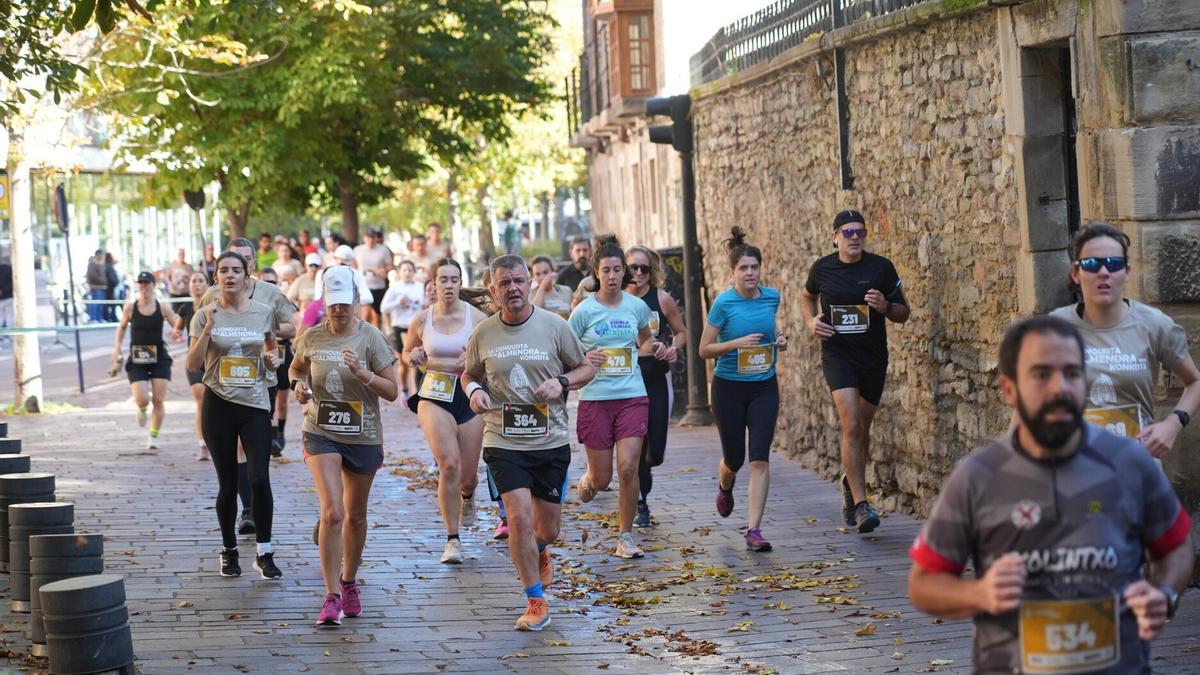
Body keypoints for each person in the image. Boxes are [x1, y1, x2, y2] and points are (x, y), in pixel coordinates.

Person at [908, 315, 1195, 674]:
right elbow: (923, 584)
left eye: (1072, 373)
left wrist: (1164, 595)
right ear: (1009, 390)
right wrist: (978, 594)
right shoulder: (979, 476)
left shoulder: (1130, 463)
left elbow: (1176, 546)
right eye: (1041, 374)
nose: (1060, 388)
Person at [461, 255, 593, 631]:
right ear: (494, 290)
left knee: (546, 529)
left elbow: (586, 367)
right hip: (503, 439)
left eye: (519, 280)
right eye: (505, 283)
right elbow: (468, 374)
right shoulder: (484, 333)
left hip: (549, 440)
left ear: (530, 283)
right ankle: (535, 601)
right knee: (518, 519)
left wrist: (562, 382)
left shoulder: (554, 326)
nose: (513, 288)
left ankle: (541, 549)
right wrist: (473, 391)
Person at [290, 265, 398, 626]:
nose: (339, 309)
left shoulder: (371, 338)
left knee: (355, 515)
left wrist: (364, 374)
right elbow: (296, 369)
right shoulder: (312, 337)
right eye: (332, 303)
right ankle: (331, 595)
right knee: (333, 512)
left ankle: (349, 581)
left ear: (356, 299)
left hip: (363, 435)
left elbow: (392, 391)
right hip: (320, 430)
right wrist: (298, 386)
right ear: (324, 301)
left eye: (344, 302)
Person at [799, 209, 909, 534]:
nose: (855, 237)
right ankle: (862, 505)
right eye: (848, 232)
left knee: (862, 430)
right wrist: (811, 322)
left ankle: (850, 482)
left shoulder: (881, 268)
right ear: (835, 237)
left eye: (860, 232)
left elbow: (903, 312)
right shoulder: (822, 268)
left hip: (873, 357)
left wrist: (885, 307)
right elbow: (807, 296)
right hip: (838, 356)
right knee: (853, 426)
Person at [1049, 224, 1200, 456]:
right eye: (1092, 264)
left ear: (1126, 272)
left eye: (1114, 263)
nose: (1104, 272)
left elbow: (1195, 382)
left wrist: (1173, 423)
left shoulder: (1154, 324)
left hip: (1136, 463)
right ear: (1076, 274)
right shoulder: (1054, 328)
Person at [187, 251, 283, 580]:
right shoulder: (204, 315)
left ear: (247, 277)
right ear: (216, 277)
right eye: (224, 270)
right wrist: (208, 330)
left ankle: (264, 552)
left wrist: (273, 360)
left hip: (254, 404)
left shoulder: (263, 312)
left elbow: (272, 349)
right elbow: (192, 364)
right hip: (218, 405)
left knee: (259, 478)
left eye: (236, 270)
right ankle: (229, 551)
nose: (230, 275)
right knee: (227, 484)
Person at [198, 238, 299, 533]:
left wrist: (263, 329)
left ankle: (256, 504)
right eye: (228, 264)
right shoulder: (212, 294)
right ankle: (248, 509)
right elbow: (201, 330)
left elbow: (293, 326)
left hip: (261, 380)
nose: (234, 270)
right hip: (224, 383)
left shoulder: (270, 293)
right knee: (238, 448)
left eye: (243, 260)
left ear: (251, 264)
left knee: (251, 449)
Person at [569, 236, 662, 559]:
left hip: (632, 395)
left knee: (628, 468)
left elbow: (645, 340)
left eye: (617, 270)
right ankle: (589, 479)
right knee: (602, 478)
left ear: (625, 272)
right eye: (606, 270)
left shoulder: (636, 307)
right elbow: (565, 351)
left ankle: (625, 536)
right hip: (595, 398)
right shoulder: (583, 311)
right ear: (596, 272)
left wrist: (658, 348)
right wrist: (585, 357)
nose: (612, 276)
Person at [698, 227, 787, 552]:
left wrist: (780, 338)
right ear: (733, 272)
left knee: (759, 458)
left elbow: (769, 329)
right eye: (743, 268)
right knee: (734, 459)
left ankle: (754, 530)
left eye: (754, 267)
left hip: (764, 387)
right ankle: (725, 485)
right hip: (729, 390)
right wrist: (735, 344)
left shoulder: (772, 297)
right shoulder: (724, 303)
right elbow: (704, 349)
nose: (750, 273)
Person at [403, 259, 489, 564]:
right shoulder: (421, 320)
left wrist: (475, 359)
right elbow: (407, 352)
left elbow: (488, 357)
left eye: (454, 279)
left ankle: (468, 496)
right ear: (434, 284)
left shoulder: (477, 318)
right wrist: (413, 355)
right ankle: (452, 540)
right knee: (449, 465)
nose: (449, 285)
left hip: (468, 394)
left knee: (468, 476)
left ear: (460, 283)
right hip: (434, 394)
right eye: (443, 279)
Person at [625, 245, 686, 527]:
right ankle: (641, 503)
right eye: (633, 267)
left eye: (644, 268)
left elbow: (681, 332)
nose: (638, 273)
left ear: (652, 271)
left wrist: (674, 349)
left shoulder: (661, 299)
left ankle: (645, 475)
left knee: (656, 451)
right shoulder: (617, 301)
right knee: (636, 444)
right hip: (627, 381)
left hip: (657, 380)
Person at [111, 271, 183, 449]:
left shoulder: (162, 307)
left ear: (153, 285)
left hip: (159, 358)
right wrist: (117, 348)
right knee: (142, 399)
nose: (143, 286)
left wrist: (176, 332)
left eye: (147, 283)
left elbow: (176, 324)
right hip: (138, 359)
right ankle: (142, 409)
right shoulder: (130, 308)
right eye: (141, 283)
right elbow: (121, 328)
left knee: (158, 400)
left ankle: (154, 435)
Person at [175, 271, 211, 460]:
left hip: (214, 360)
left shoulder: (215, 307)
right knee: (201, 399)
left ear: (207, 284)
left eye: (200, 280)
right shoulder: (186, 308)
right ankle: (202, 444)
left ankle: (218, 439)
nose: (197, 284)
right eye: (193, 281)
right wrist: (175, 332)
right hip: (195, 360)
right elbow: (178, 327)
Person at [379, 260, 424, 402]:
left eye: (410, 270)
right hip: (400, 327)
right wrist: (398, 302)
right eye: (404, 270)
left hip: (416, 328)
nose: (407, 273)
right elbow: (383, 308)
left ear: (414, 272)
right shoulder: (395, 288)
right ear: (399, 272)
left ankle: (416, 393)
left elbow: (426, 302)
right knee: (404, 363)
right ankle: (404, 390)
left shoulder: (420, 287)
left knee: (416, 362)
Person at [354, 228, 394, 330]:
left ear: (376, 238)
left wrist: (383, 270)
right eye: (368, 237)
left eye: (373, 237)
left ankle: (376, 334)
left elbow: (390, 265)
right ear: (364, 238)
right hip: (363, 286)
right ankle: (363, 333)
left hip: (378, 285)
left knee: (377, 315)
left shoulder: (383, 250)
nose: (371, 240)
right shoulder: (358, 250)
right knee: (365, 312)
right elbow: (353, 266)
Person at [86, 249, 108, 323]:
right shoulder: (92, 263)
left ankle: (99, 318)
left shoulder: (101, 263)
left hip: (101, 287)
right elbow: (92, 275)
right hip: (95, 287)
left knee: (100, 304)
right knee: (95, 303)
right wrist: (101, 280)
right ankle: (94, 318)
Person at [104, 252, 121, 322]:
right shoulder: (109, 267)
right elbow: (113, 279)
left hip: (108, 288)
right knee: (112, 304)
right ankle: (112, 318)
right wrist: (115, 282)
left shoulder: (106, 266)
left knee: (109, 304)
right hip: (110, 289)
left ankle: (110, 317)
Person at [0, 252, 13, 333]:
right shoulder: (11, 269)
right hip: (8, 296)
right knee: (9, 316)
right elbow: (12, 283)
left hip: (1, 297)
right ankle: (10, 334)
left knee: (0, 317)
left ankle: (1, 335)